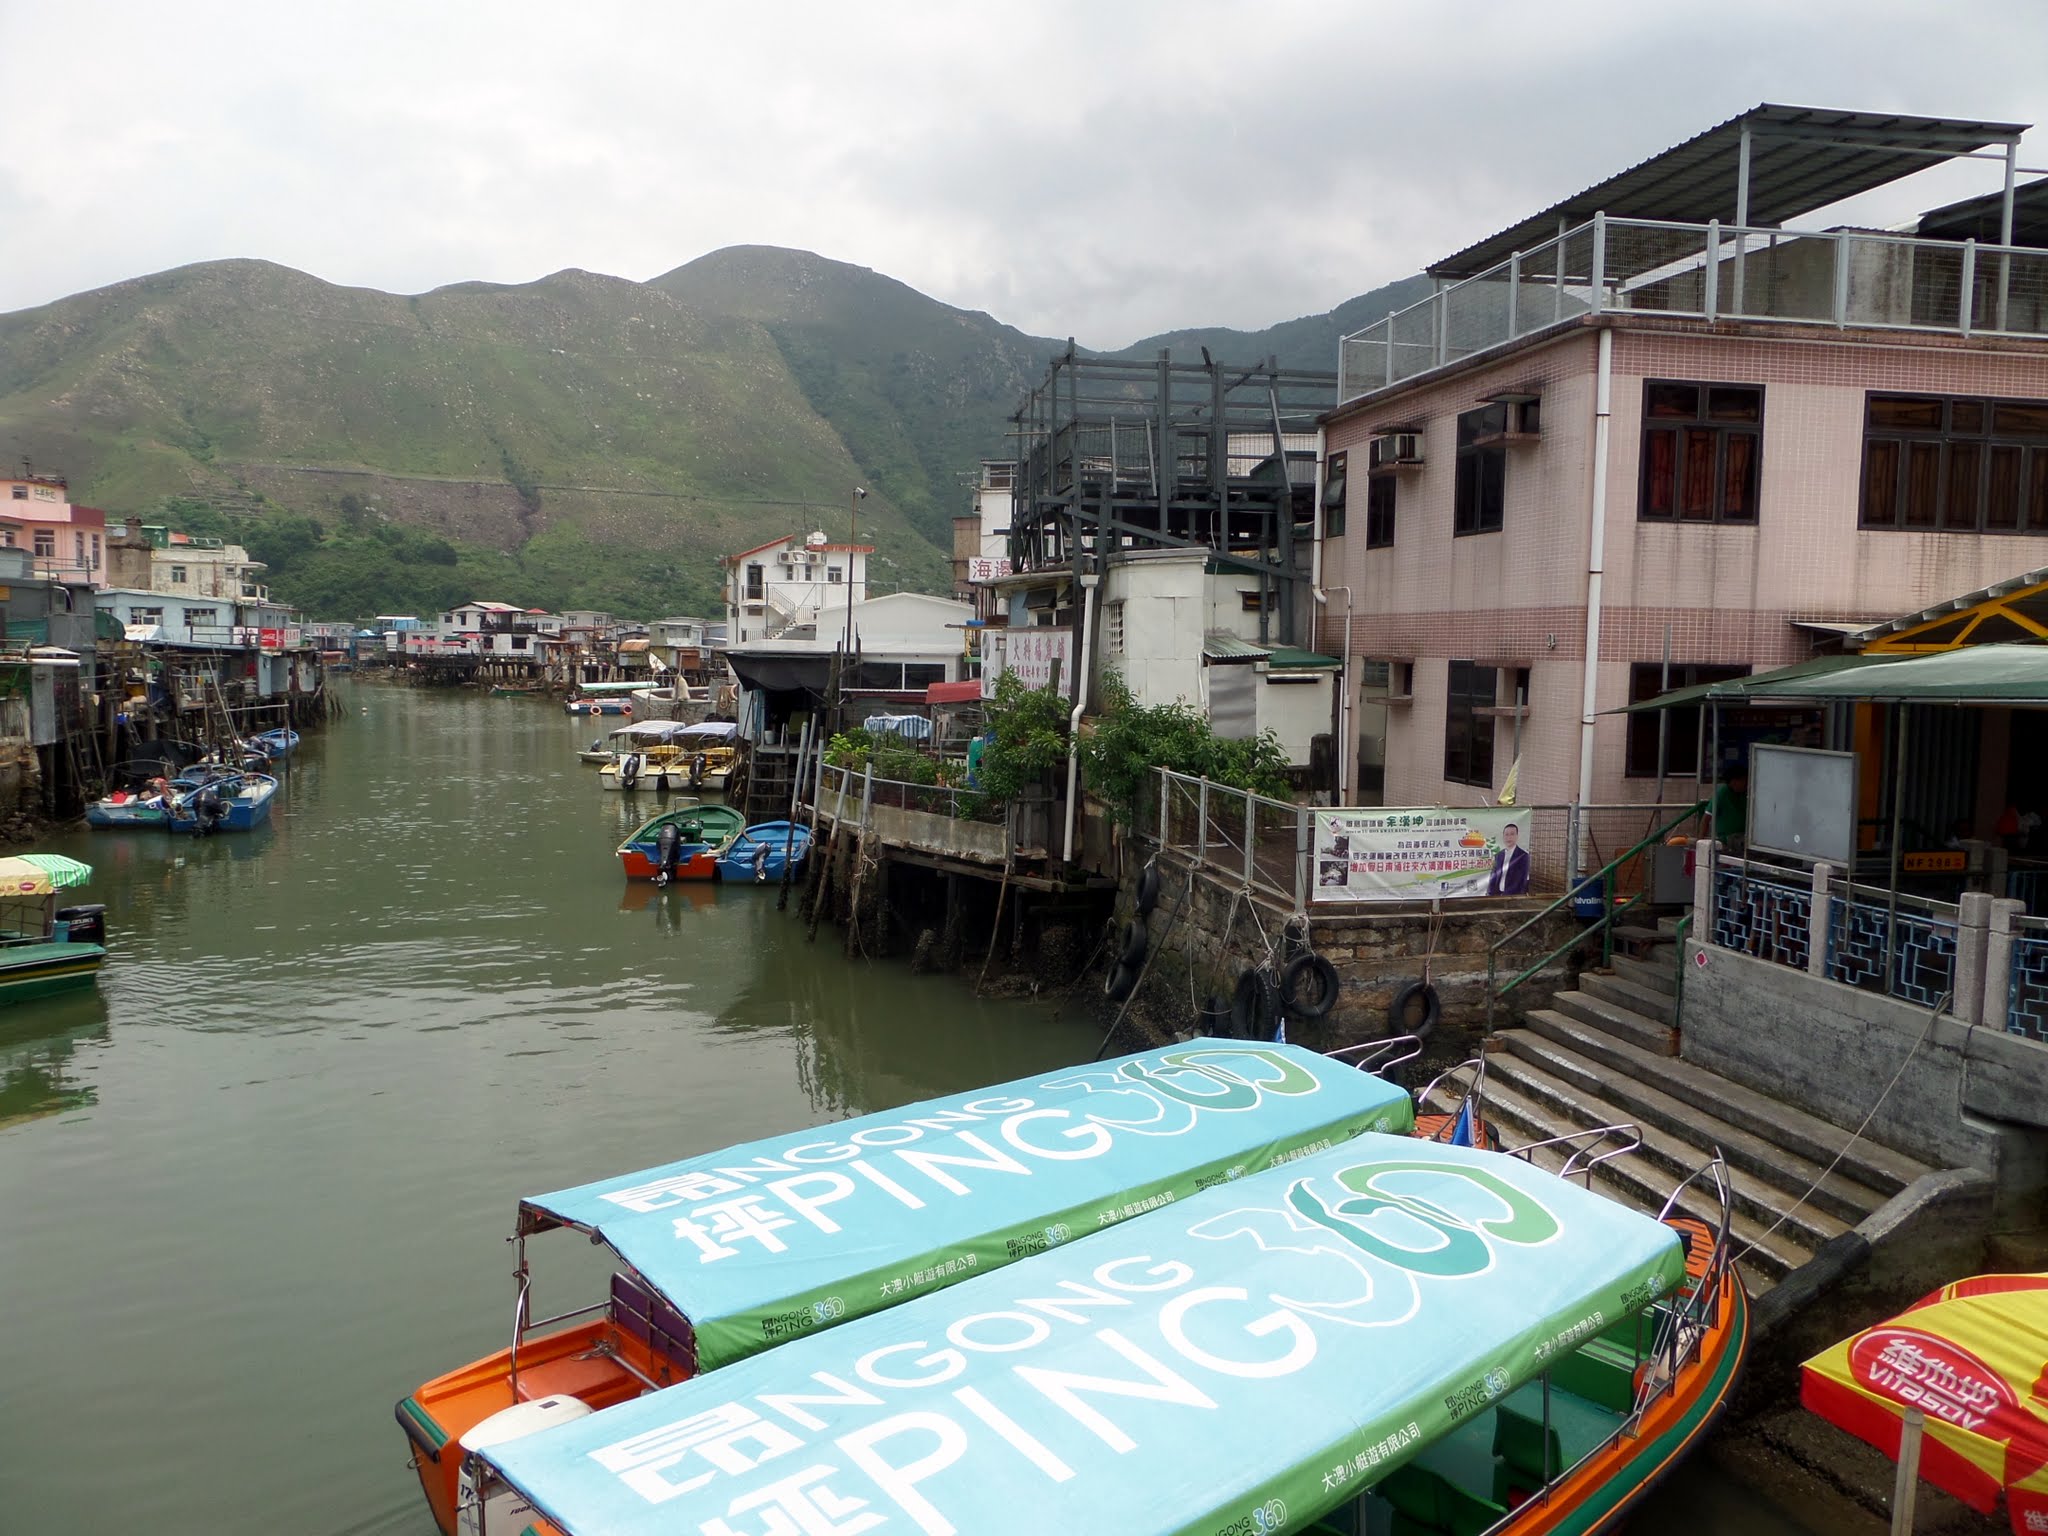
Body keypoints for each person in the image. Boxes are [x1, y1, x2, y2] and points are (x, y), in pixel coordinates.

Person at [1710, 767, 1748, 852]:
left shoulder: (1746, 793)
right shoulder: (1722, 793)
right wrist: (1701, 843)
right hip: (1727, 839)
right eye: (1743, 781)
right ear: (1734, 782)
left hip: (1743, 836)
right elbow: (1707, 816)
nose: (1746, 784)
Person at [1487, 822, 1531, 896]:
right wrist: (1490, 893)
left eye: (1512, 834)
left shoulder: (1523, 856)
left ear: (1517, 836)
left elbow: (1522, 880)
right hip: (1497, 895)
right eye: (1506, 834)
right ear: (1503, 836)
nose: (1509, 837)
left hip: (1513, 897)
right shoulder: (1498, 855)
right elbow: (1493, 876)